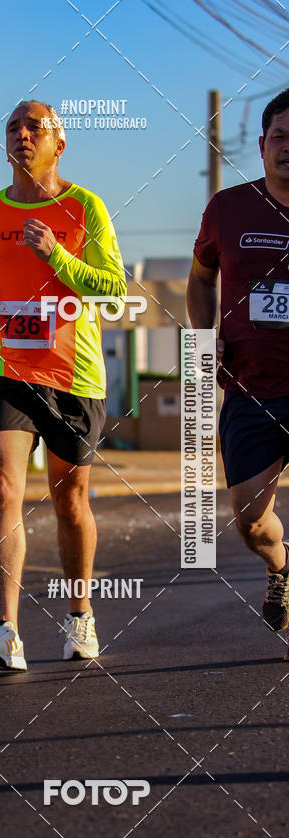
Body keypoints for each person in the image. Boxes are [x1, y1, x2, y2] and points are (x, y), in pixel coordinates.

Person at [0, 99, 126, 671]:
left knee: (68, 499)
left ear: (60, 143)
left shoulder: (84, 207)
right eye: (13, 127)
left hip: (73, 375)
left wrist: (57, 256)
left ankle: (81, 617)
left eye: (36, 127)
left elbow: (113, 290)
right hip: (3, 366)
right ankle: (6, 629)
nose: (22, 135)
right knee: (3, 489)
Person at [187, 88, 289, 633]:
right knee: (250, 521)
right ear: (262, 144)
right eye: (280, 138)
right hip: (251, 388)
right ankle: (282, 566)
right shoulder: (228, 208)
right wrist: (204, 340)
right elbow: (201, 280)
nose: (288, 148)